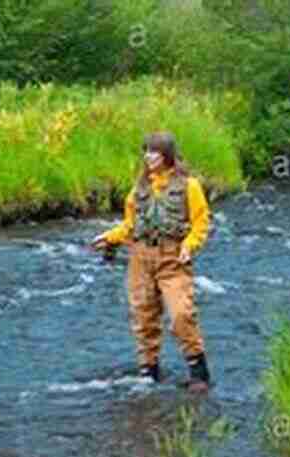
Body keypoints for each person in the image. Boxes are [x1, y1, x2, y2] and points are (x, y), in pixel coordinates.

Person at [91, 130, 213, 394]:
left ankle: (199, 372)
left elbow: (201, 222)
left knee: (181, 314)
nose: (148, 157)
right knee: (143, 316)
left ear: (167, 155)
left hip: (173, 259)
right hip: (140, 258)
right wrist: (110, 238)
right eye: (146, 151)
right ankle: (148, 372)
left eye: (154, 152)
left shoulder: (189, 185)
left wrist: (190, 246)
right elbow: (130, 225)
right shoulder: (139, 188)